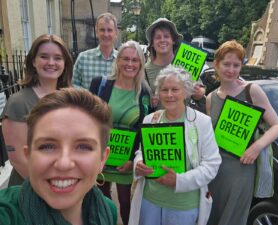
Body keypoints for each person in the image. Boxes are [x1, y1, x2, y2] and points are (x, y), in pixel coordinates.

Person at [0, 88, 117, 225]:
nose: (64, 163)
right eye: (47, 146)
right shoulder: (6, 214)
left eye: (83, 147)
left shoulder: (108, 210)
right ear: (29, 155)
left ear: (102, 159)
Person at [129, 65, 222, 225]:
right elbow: (141, 152)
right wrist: (139, 164)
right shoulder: (151, 119)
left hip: (183, 206)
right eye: (164, 90)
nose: (169, 95)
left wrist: (179, 181)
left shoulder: (201, 122)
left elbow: (212, 165)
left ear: (185, 92)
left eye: (175, 89)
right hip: (150, 201)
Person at [206, 40, 278, 225]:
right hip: (215, 170)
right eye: (226, 64)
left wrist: (256, 147)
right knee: (212, 217)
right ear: (216, 64)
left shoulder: (251, 91)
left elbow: (277, 126)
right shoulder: (210, 98)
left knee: (232, 219)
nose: (231, 69)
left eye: (236, 65)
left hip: (241, 169)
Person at [89, 40, 151, 225]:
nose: (129, 64)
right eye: (125, 59)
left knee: (125, 201)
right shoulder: (100, 84)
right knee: (102, 199)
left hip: (125, 158)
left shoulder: (144, 91)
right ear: (117, 60)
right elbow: (90, 119)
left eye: (134, 60)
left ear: (140, 63)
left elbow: (143, 128)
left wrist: (132, 159)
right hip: (101, 156)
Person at [1, 34, 73, 186]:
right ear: (33, 61)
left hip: (66, 184)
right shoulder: (18, 103)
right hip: (31, 188)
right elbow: (18, 159)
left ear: (65, 63)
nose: (51, 63)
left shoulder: (70, 99)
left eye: (58, 58)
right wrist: (50, 188)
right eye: (44, 56)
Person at [145, 18, 206, 110]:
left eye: (166, 36)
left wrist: (199, 92)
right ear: (152, 43)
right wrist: (149, 101)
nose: (162, 40)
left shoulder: (185, 62)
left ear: (173, 40)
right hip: (157, 122)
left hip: (184, 121)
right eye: (158, 37)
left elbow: (200, 92)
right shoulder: (144, 70)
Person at [72, 12, 118, 89]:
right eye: (102, 30)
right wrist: (89, 96)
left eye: (109, 30)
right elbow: (73, 85)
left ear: (116, 33)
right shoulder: (83, 58)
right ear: (96, 32)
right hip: (88, 101)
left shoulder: (122, 60)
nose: (106, 34)